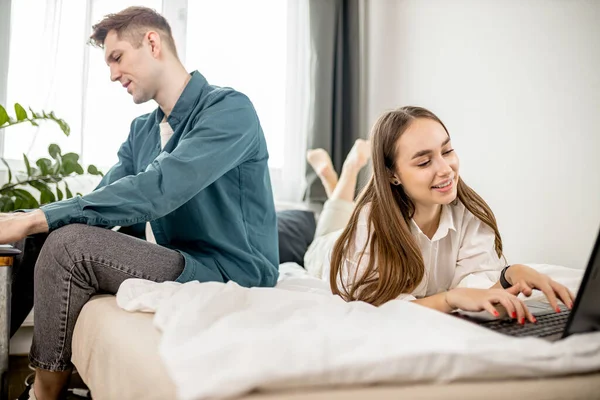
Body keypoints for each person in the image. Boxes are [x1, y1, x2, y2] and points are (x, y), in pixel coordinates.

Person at [5, 6, 279, 400]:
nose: (113, 74)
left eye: (116, 58)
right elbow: (101, 203)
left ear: (152, 42)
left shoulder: (229, 110)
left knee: (68, 243)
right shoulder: (143, 131)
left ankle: (43, 394)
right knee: (48, 234)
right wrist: (27, 223)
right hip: (179, 260)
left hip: (233, 271)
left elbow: (157, 189)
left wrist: (34, 218)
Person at [305, 106, 574, 324]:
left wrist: (510, 275)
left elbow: (475, 290)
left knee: (344, 212)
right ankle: (347, 171)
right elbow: (377, 310)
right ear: (392, 174)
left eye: (447, 151)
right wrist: (449, 299)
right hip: (327, 249)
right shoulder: (367, 228)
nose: (445, 169)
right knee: (329, 229)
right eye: (424, 162)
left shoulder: (468, 214)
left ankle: (336, 181)